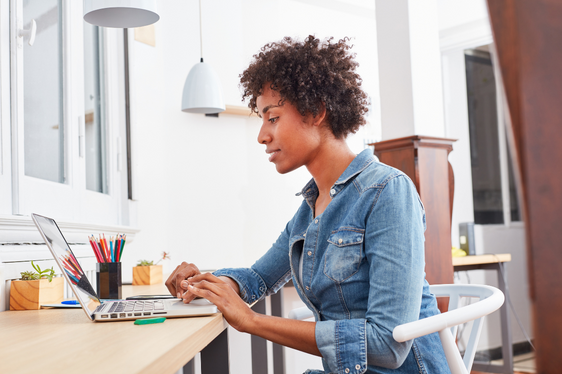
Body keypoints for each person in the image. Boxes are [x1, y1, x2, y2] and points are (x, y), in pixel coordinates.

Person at [166, 36, 450, 374]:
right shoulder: (311, 208)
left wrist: (252, 320)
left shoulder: (388, 192)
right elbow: (258, 277)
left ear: (315, 111)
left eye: (272, 118)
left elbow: (386, 344)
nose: (261, 135)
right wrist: (207, 283)